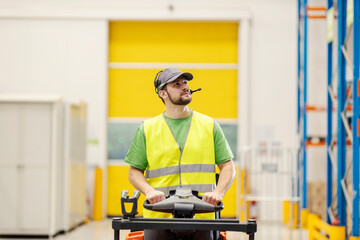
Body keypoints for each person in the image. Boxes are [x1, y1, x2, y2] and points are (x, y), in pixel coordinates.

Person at [124, 68, 236, 240]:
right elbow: (134, 172)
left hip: (202, 215)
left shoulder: (210, 125)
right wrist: (148, 191)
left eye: (185, 82)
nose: (184, 87)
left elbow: (228, 166)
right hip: (159, 216)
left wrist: (218, 193)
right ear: (163, 93)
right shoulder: (147, 129)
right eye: (176, 84)